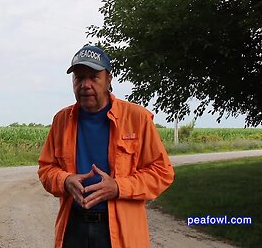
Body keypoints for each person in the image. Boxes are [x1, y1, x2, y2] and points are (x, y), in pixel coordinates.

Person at [38, 45, 175, 248]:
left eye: (93, 77)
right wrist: (65, 180)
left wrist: (118, 187)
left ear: (108, 80)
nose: (85, 85)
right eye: (79, 77)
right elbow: (46, 169)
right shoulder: (61, 120)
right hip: (73, 226)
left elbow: (162, 173)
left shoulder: (137, 118)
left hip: (118, 232)